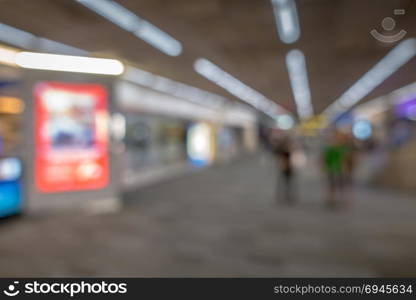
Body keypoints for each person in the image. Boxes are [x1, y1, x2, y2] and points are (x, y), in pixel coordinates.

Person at [322, 130, 350, 208]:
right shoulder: (331, 148)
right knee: (332, 185)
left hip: (339, 168)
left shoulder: (343, 148)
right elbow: (325, 158)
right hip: (332, 168)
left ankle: (340, 199)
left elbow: (345, 159)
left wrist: (345, 168)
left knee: (341, 185)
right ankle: (332, 199)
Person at [272, 133, 295, 203]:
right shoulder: (282, 148)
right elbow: (278, 157)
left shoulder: (290, 147)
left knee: (288, 183)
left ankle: (287, 196)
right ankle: (282, 196)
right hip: (285, 167)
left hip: (289, 167)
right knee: (283, 183)